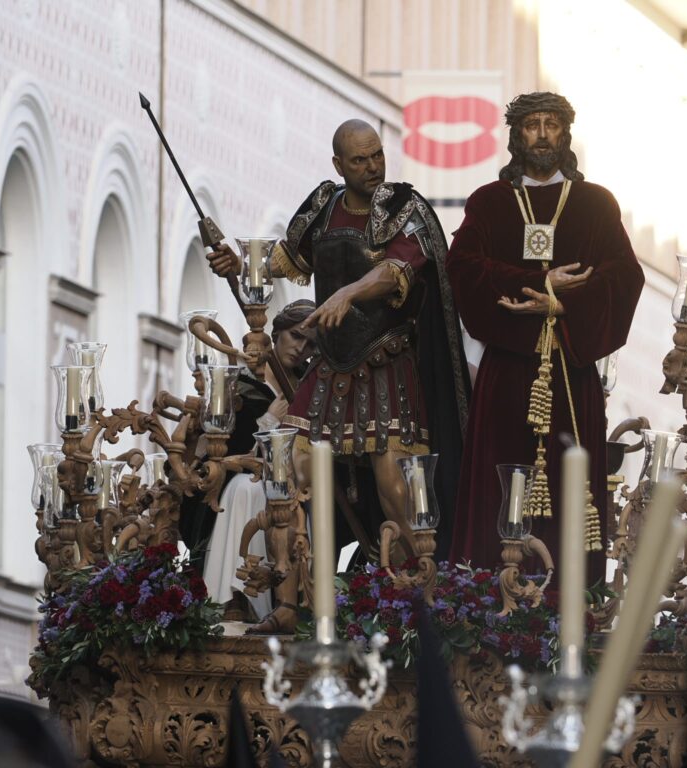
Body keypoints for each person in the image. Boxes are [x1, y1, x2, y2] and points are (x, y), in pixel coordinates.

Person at [208, 120, 470, 629]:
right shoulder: (323, 206)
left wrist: (348, 292)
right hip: (330, 370)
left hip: (387, 364)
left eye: (377, 155)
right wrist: (240, 264)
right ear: (338, 164)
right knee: (286, 476)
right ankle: (290, 602)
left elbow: (398, 270)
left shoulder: (404, 207)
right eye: (359, 160)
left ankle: (416, 604)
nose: (373, 167)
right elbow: (283, 259)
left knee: (398, 490)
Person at [446, 92, 644, 585]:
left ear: (565, 133)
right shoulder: (489, 202)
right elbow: (463, 268)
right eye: (531, 124)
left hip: (570, 374)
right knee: (498, 482)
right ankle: (488, 598)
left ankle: (568, 600)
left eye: (550, 124)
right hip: (507, 375)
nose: (541, 134)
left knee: (569, 483)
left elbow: (624, 276)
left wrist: (561, 306)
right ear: (516, 135)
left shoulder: (595, 204)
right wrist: (538, 284)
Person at [202, 300, 316, 620]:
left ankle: (284, 601)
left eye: (310, 344)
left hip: (296, 481)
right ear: (277, 333)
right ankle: (234, 595)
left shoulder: (309, 386)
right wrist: (269, 420)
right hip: (247, 475)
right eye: (296, 336)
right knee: (246, 488)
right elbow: (226, 443)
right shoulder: (244, 383)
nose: (301, 348)